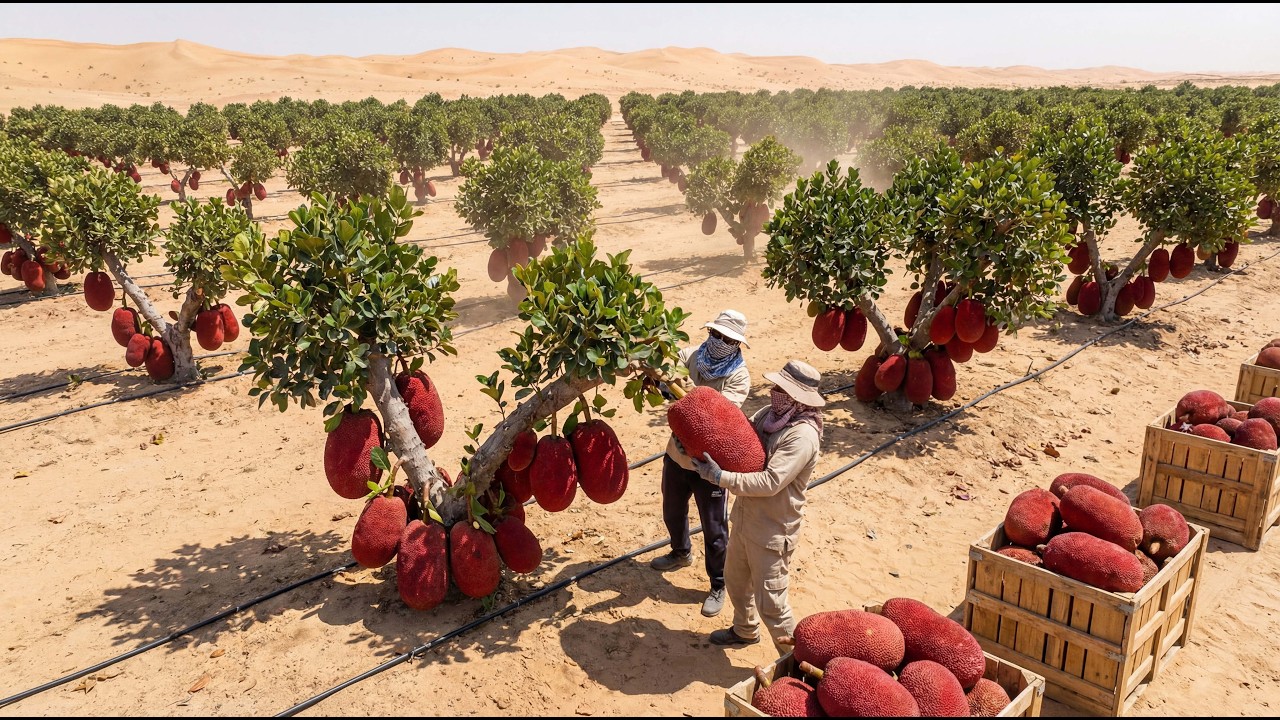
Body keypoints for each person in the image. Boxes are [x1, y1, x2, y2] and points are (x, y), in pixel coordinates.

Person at [691, 359, 824, 653]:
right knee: (737, 583)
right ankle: (745, 630)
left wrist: (718, 477)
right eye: (777, 385)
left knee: (772, 604)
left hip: (773, 530)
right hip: (745, 518)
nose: (774, 391)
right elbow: (738, 440)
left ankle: (795, 661)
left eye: (782, 388)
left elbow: (770, 482)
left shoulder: (802, 436)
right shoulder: (768, 415)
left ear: (798, 398)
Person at [650, 309, 751, 618]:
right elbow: (665, 374)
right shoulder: (690, 355)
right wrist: (655, 375)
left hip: (711, 466)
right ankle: (680, 552)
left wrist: (690, 395)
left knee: (715, 528)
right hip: (678, 453)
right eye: (716, 334)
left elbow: (720, 416)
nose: (719, 341)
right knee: (672, 509)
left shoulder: (738, 376)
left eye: (727, 339)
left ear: (737, 344)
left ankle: (719, 584)